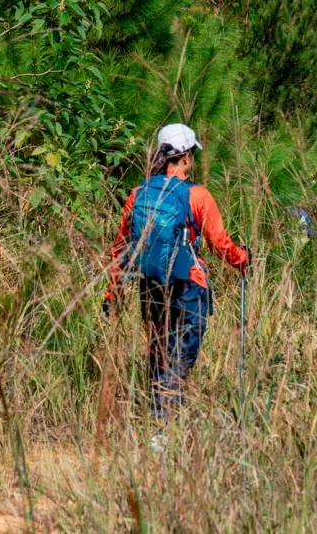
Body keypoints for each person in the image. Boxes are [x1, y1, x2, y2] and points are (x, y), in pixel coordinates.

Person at [105, 122, 248, 417]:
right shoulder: (198, 196)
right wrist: (242, 259)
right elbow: (220, 245)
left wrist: (112, 295)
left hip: (150, 284)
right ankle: (163, 423)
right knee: (182, 353)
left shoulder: (138, 193)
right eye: (191, 154)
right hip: (188, 286)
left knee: (158, 352)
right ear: (184, 157)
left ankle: (158, 416)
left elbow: (120, 249)